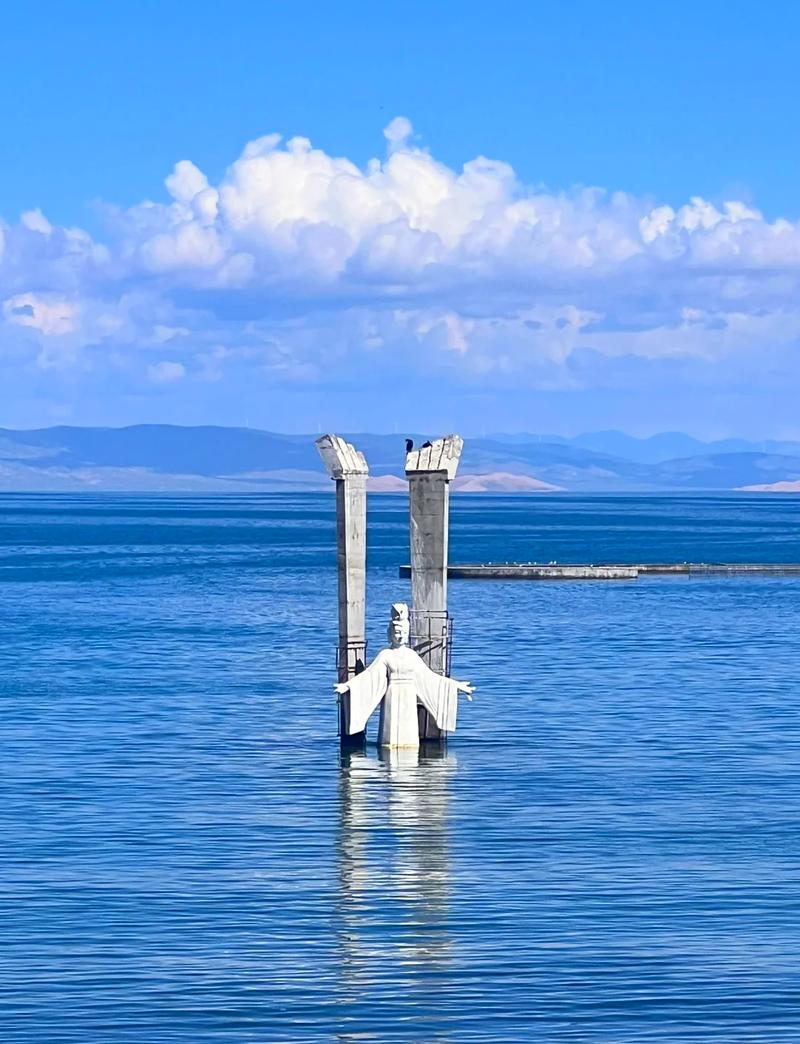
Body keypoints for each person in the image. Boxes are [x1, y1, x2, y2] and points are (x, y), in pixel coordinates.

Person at [335, 603, 474, 748]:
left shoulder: (411, 656)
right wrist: (348, 686)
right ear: (390, 634)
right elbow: (370, 675)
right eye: (397, 632)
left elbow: (430, 678)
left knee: (408, 736)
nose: (400, 636)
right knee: (390, 733)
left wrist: (456, 686)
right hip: (392, 695)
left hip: (408, 696)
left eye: (403, 632)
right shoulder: (386, 655)